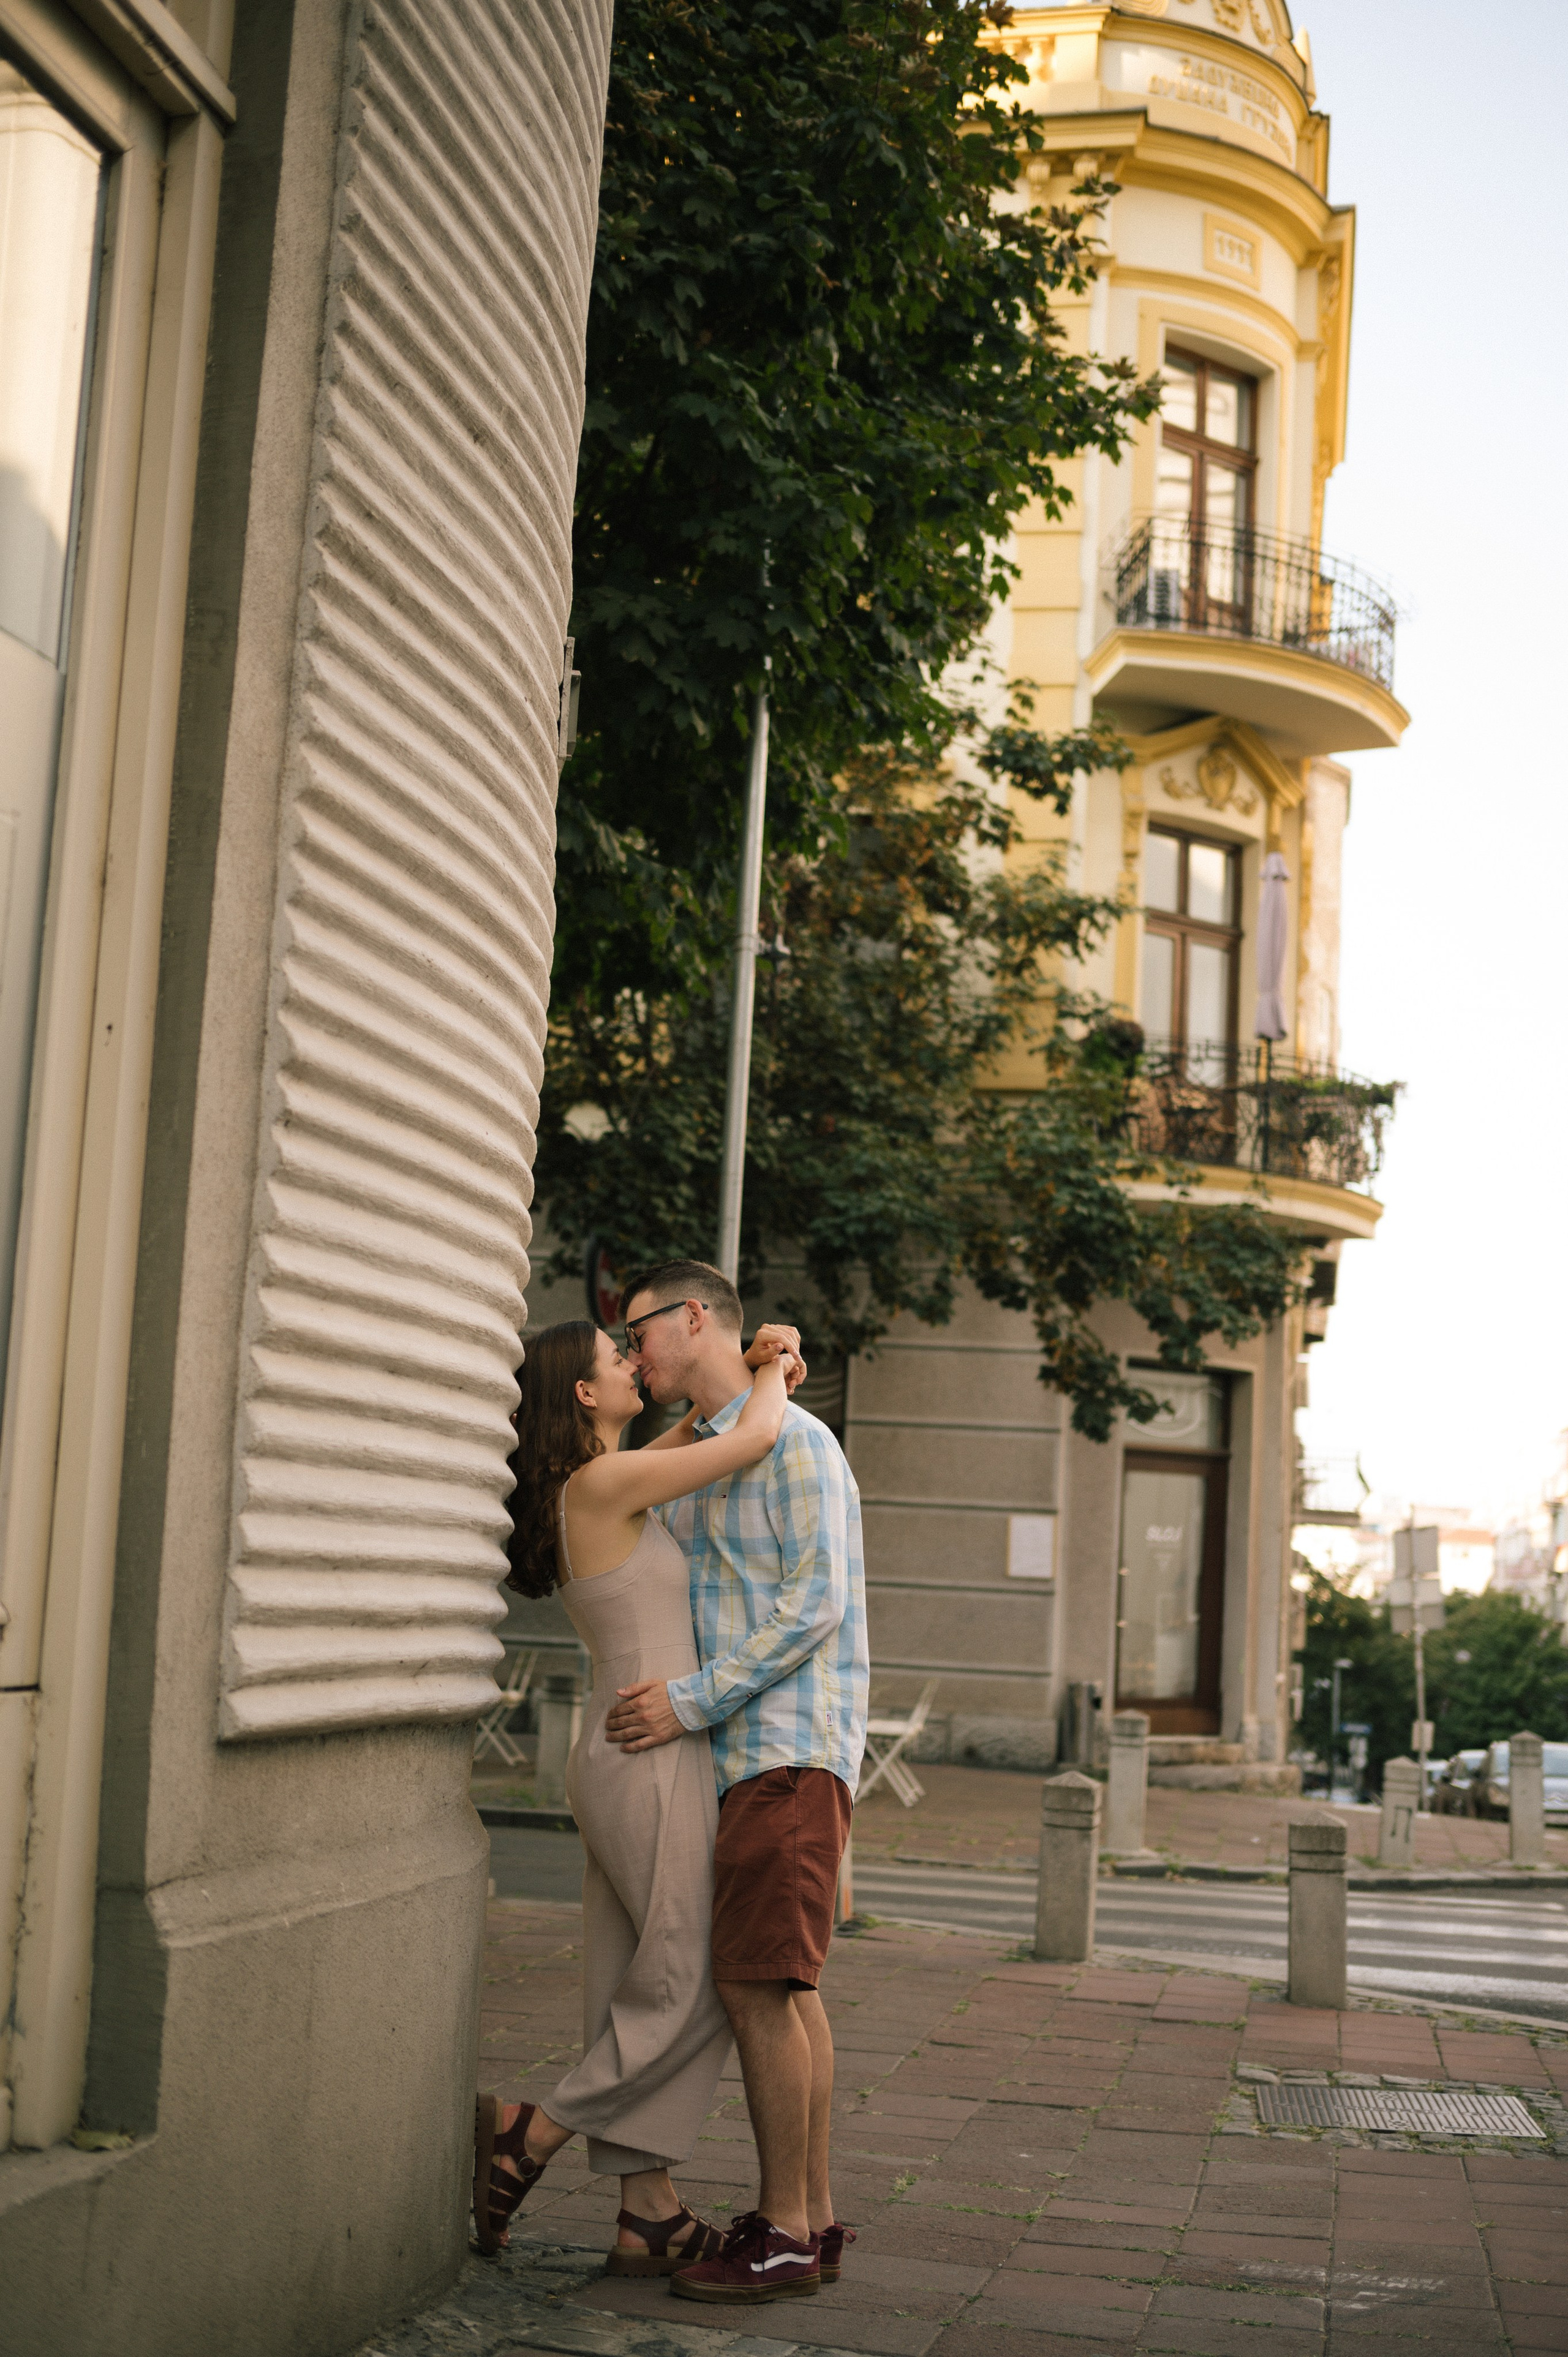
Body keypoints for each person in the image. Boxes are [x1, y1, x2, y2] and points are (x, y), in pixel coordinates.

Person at [473, 1316, 803, 2267]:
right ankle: (530, 2135)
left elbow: (707, 1430)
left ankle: (648, 2211)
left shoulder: (606, 1478)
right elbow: (748, 1438)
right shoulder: (604, 1483)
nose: (634, 1364)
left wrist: (744, 1365)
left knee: (632, 1973)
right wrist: (777, 1363)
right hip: (648, 1752)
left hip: (630, 1750)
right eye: (620, 1359)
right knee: (697, 1976)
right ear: (583, 1392)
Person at [606, 1259, 868, 2306]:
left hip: (784, 1750)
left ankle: (784, 2232)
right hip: (755, 1759)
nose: (633, 1355)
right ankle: (814, 2215)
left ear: (696, 1317)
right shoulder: (718, 1452)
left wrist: (689, 1702)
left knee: (761, 1990)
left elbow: (814, 1607)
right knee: (787, 1991)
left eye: (640, 1334)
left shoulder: (798, 1444)